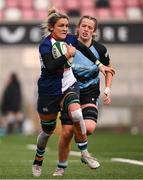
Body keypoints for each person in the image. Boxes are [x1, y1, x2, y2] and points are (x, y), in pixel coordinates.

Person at [32, 9, 114, 177]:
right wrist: (68, 55)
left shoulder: (70, 39)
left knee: (77, 114)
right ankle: (38, 158)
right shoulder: (45, 45)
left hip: (69, 84)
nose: (65, 29)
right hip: (49, 90)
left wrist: (100, 66)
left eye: (67, 26)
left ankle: (85, 153)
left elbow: (84, 49)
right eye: (61, 26)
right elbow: (51, 66)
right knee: (47, 131)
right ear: (51, 28)